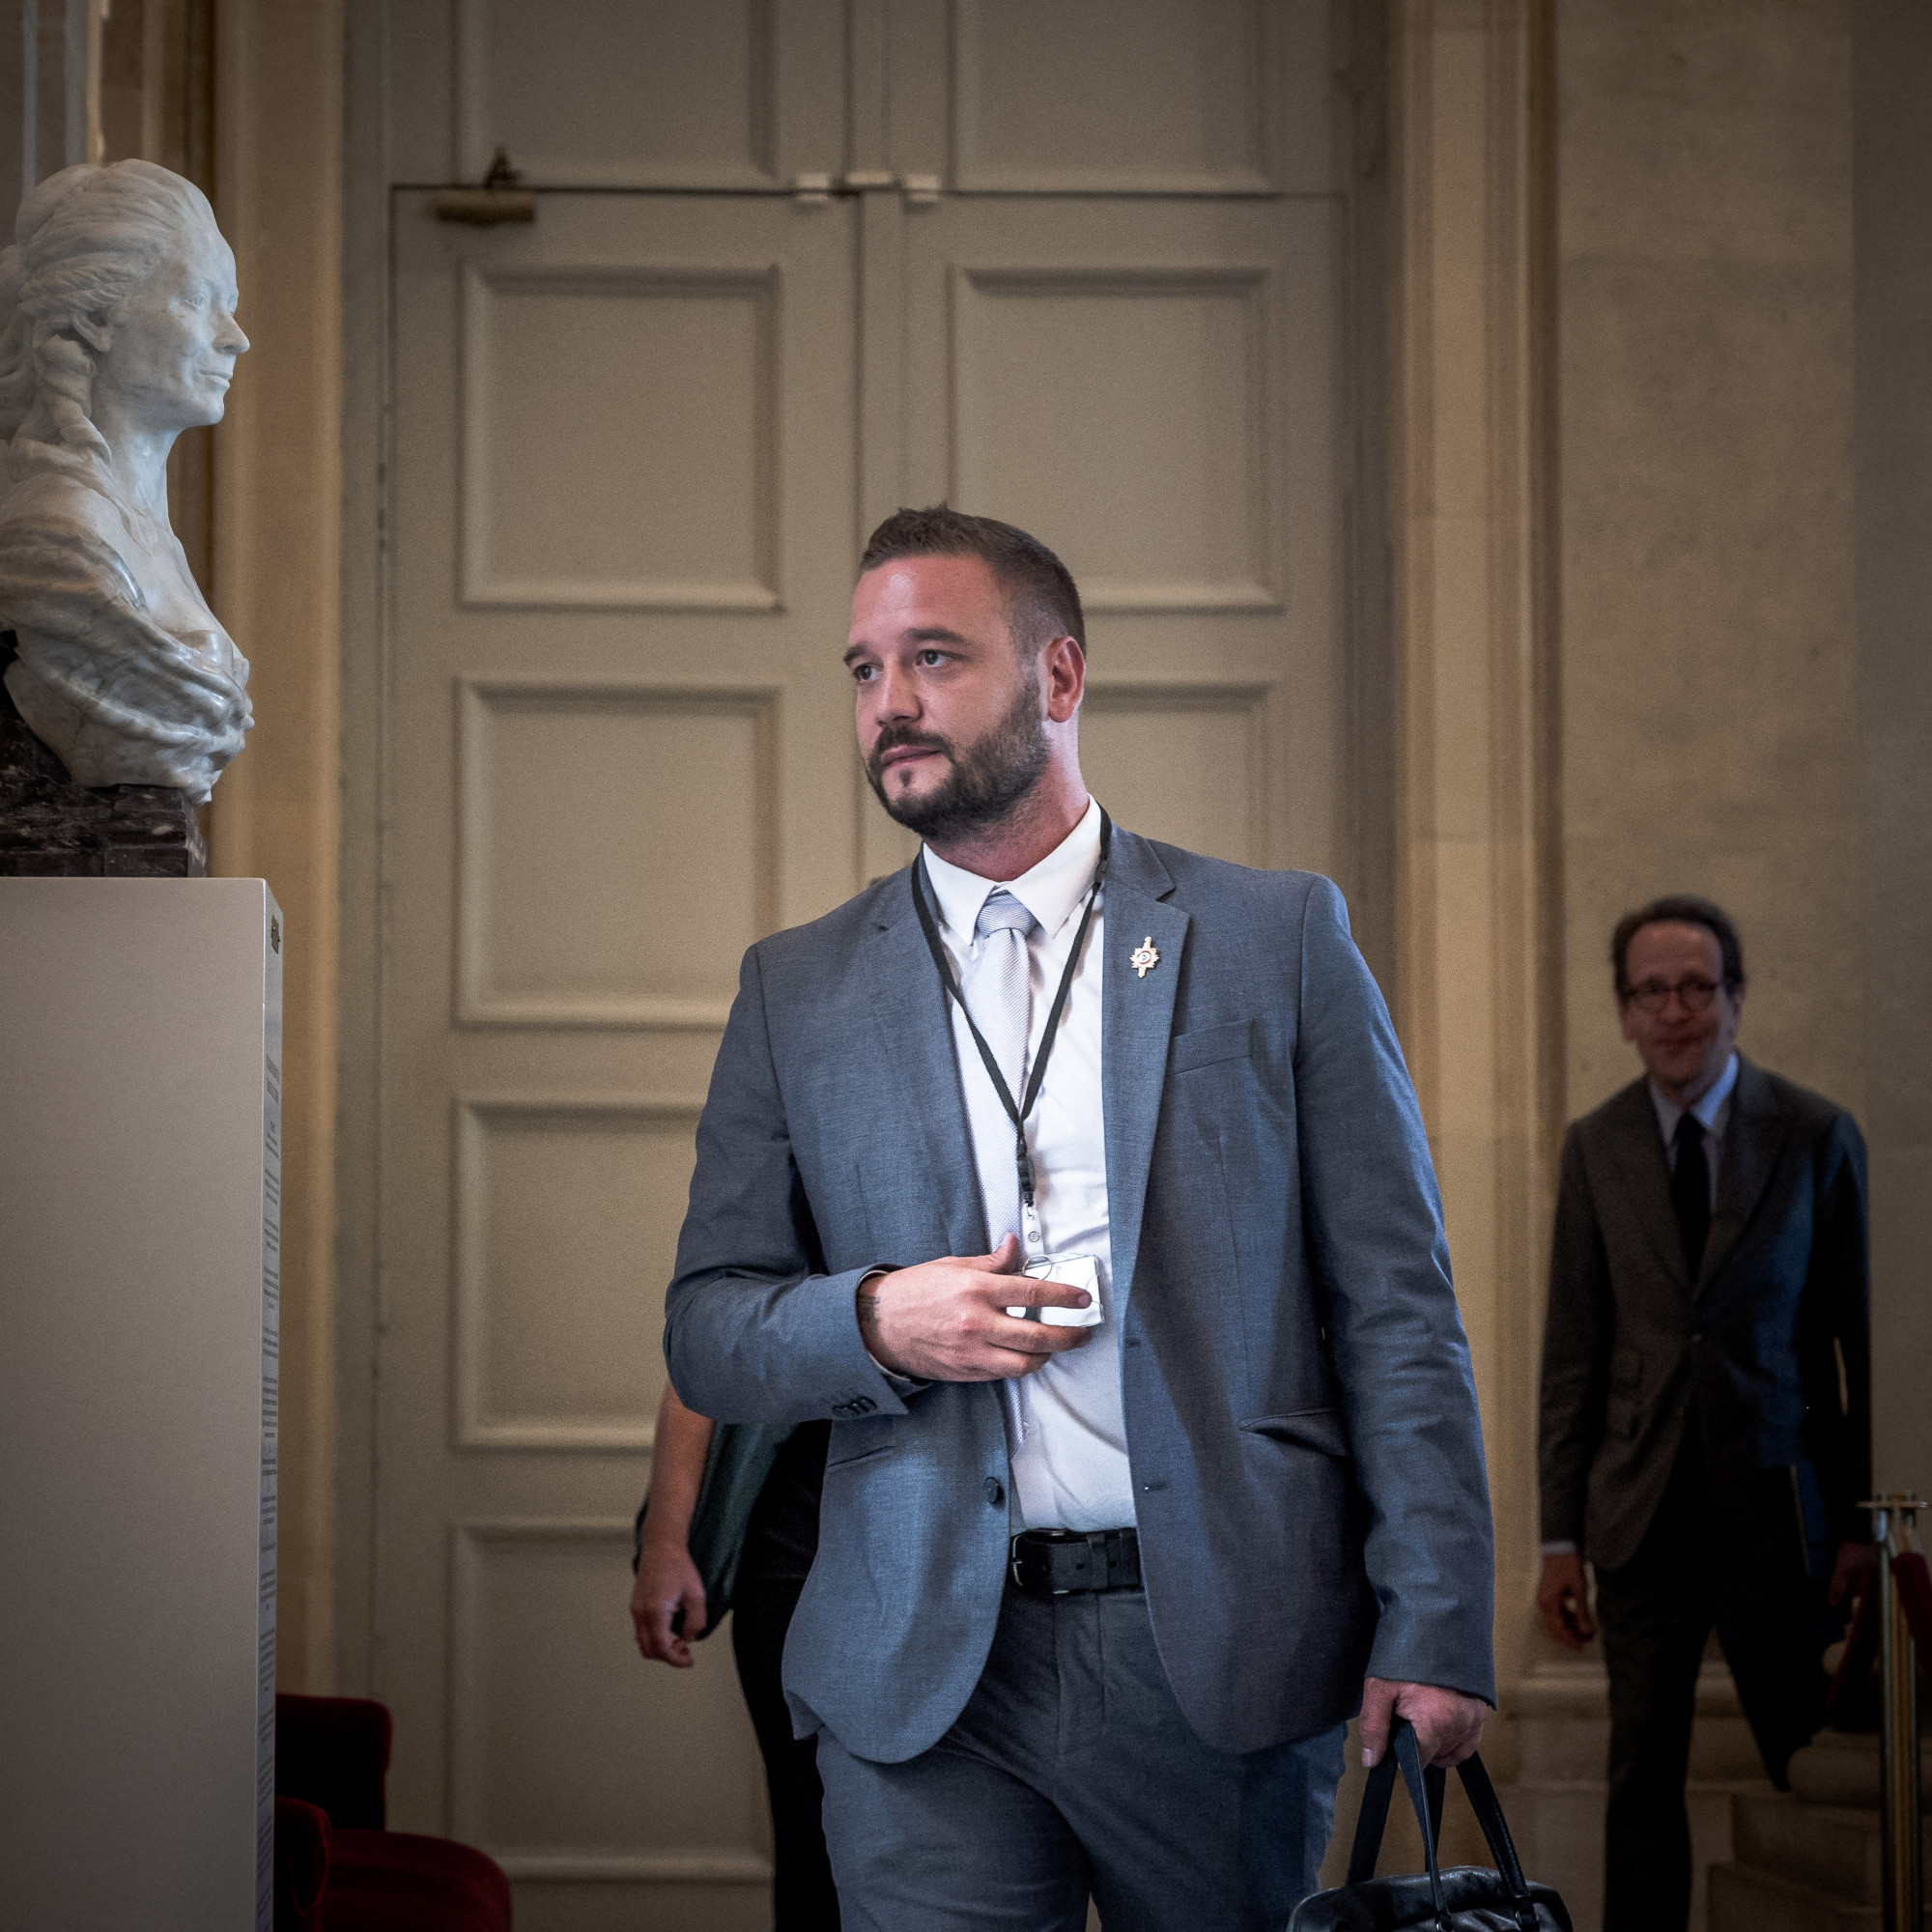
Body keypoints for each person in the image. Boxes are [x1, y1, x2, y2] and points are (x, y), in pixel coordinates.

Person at [663, 506, 1496, 1931]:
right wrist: (877, 1319)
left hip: (1218, 1661)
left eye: (934, 657)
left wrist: (1437, 1620)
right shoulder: (796, 989)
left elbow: (1397, 1308)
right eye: (864, 669)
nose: (890, 702)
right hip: (921, 1679)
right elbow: (708, 1328)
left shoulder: (1275, 938)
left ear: (1058, 676)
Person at [1536, 895, 1871, 1932]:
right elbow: (1572, 1354)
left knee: (1812, 1757)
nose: (1674, 1010)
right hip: (1638, 1521)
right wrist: (1558, 1538)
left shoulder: (1815, 1134)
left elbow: (1858, 1347)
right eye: (1652, 991)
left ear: (1735, 999)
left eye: (1695, 987)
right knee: (1640, 1774)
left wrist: (1860, 1524)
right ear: (1623, 1012)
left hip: (1781, 1514)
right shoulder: (1595, 1146)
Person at [0, 160, 251, 801]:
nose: (236, 339)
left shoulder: (146, 535)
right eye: (197, 300)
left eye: (230, 306)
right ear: (96, 317)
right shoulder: (56, 534)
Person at [630, 1383, 840, 1930]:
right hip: (796, 1560)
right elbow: (702, 1368)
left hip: (977, 1570)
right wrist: (665, 1543)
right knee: (815, 1848)